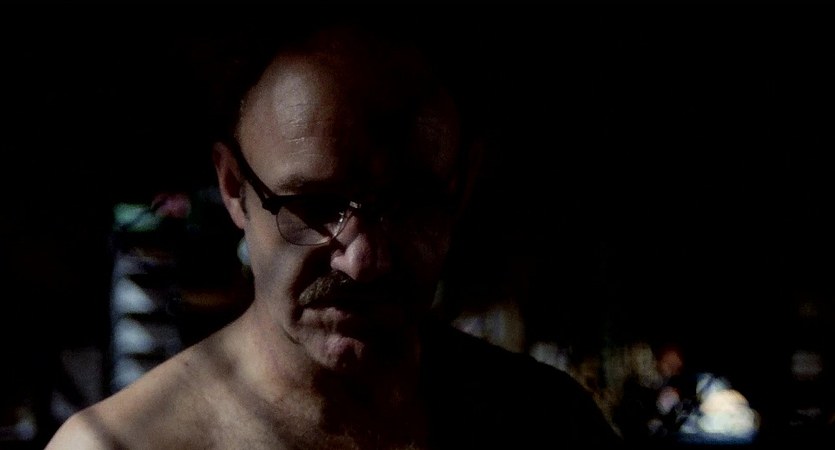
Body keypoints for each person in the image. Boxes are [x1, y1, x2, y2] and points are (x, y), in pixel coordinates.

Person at [46, 15, 622, 449]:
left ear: (462, 187)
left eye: (410, 204)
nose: (363, 259)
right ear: (233, 188)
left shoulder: (551, 425)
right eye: (314, 205)